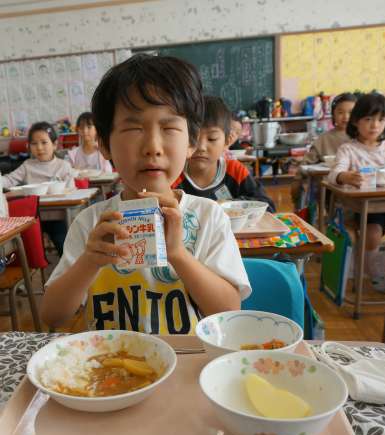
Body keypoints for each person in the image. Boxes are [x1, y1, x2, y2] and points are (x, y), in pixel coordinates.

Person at [40, 54, 251, 332]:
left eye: (169, 127)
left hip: (187, 356)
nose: (153, 146)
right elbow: (52, 316)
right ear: (105, 144)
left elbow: (229, 311)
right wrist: (89, 261)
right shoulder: (91, 224)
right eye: (134, 128)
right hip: (111, 357)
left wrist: (178, 254)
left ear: (190, 142)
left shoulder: (207, 217)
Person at [328, 92, 385, 291]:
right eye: (368, 119)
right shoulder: (348, 149)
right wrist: (345, 176)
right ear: (355, 122)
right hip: (367, 208)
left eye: (381, 120)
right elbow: (334, 173)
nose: (375, 125)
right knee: (373, 233)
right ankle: (375, 275)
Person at [173, 96, 275, 211]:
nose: (201, 147)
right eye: (192, 138)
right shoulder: (174, 173)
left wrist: (230, 205)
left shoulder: (235, 171)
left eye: (212, 138)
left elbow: (267, 206)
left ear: (227, 141)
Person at [2, 121, 76, 255]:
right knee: (28, 248)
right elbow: (9, 180)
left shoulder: (63, 166)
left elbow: (72, 191)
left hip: (57, 216)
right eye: (34, 144)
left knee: (63, 244)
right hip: (32, 218)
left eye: (44, 142)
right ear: (29, 146)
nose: (39, 148)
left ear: (55, 144)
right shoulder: (28, 165)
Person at [292, 93, 357, 208]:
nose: (346, 117)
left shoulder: (363, 137)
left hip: (357, 186)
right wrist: (297, 180)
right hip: (329, 188)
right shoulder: (323, 139)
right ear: (333, 115)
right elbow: (305, 163)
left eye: (351, 112)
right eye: (340, 112)